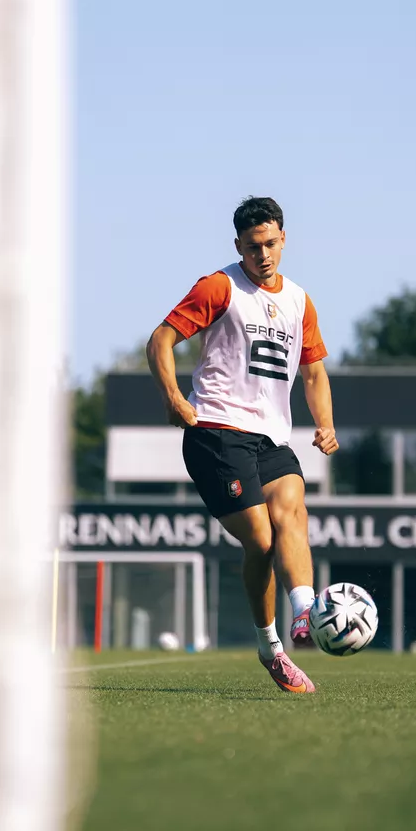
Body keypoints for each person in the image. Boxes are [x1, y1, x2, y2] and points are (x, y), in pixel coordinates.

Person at [146, 197, 338, 694]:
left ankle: (305, 615)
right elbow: (162, 339)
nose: (263, 255)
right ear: (239, 246)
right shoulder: (220, 287)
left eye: (271, 243)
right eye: (253, 247)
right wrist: (172, 396)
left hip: (270, 437)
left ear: (284, 239)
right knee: (260, 538)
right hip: (215, 431)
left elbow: (314, 372)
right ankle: (270, 647)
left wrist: (325, 424)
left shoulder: (299, 301)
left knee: (292, 511)